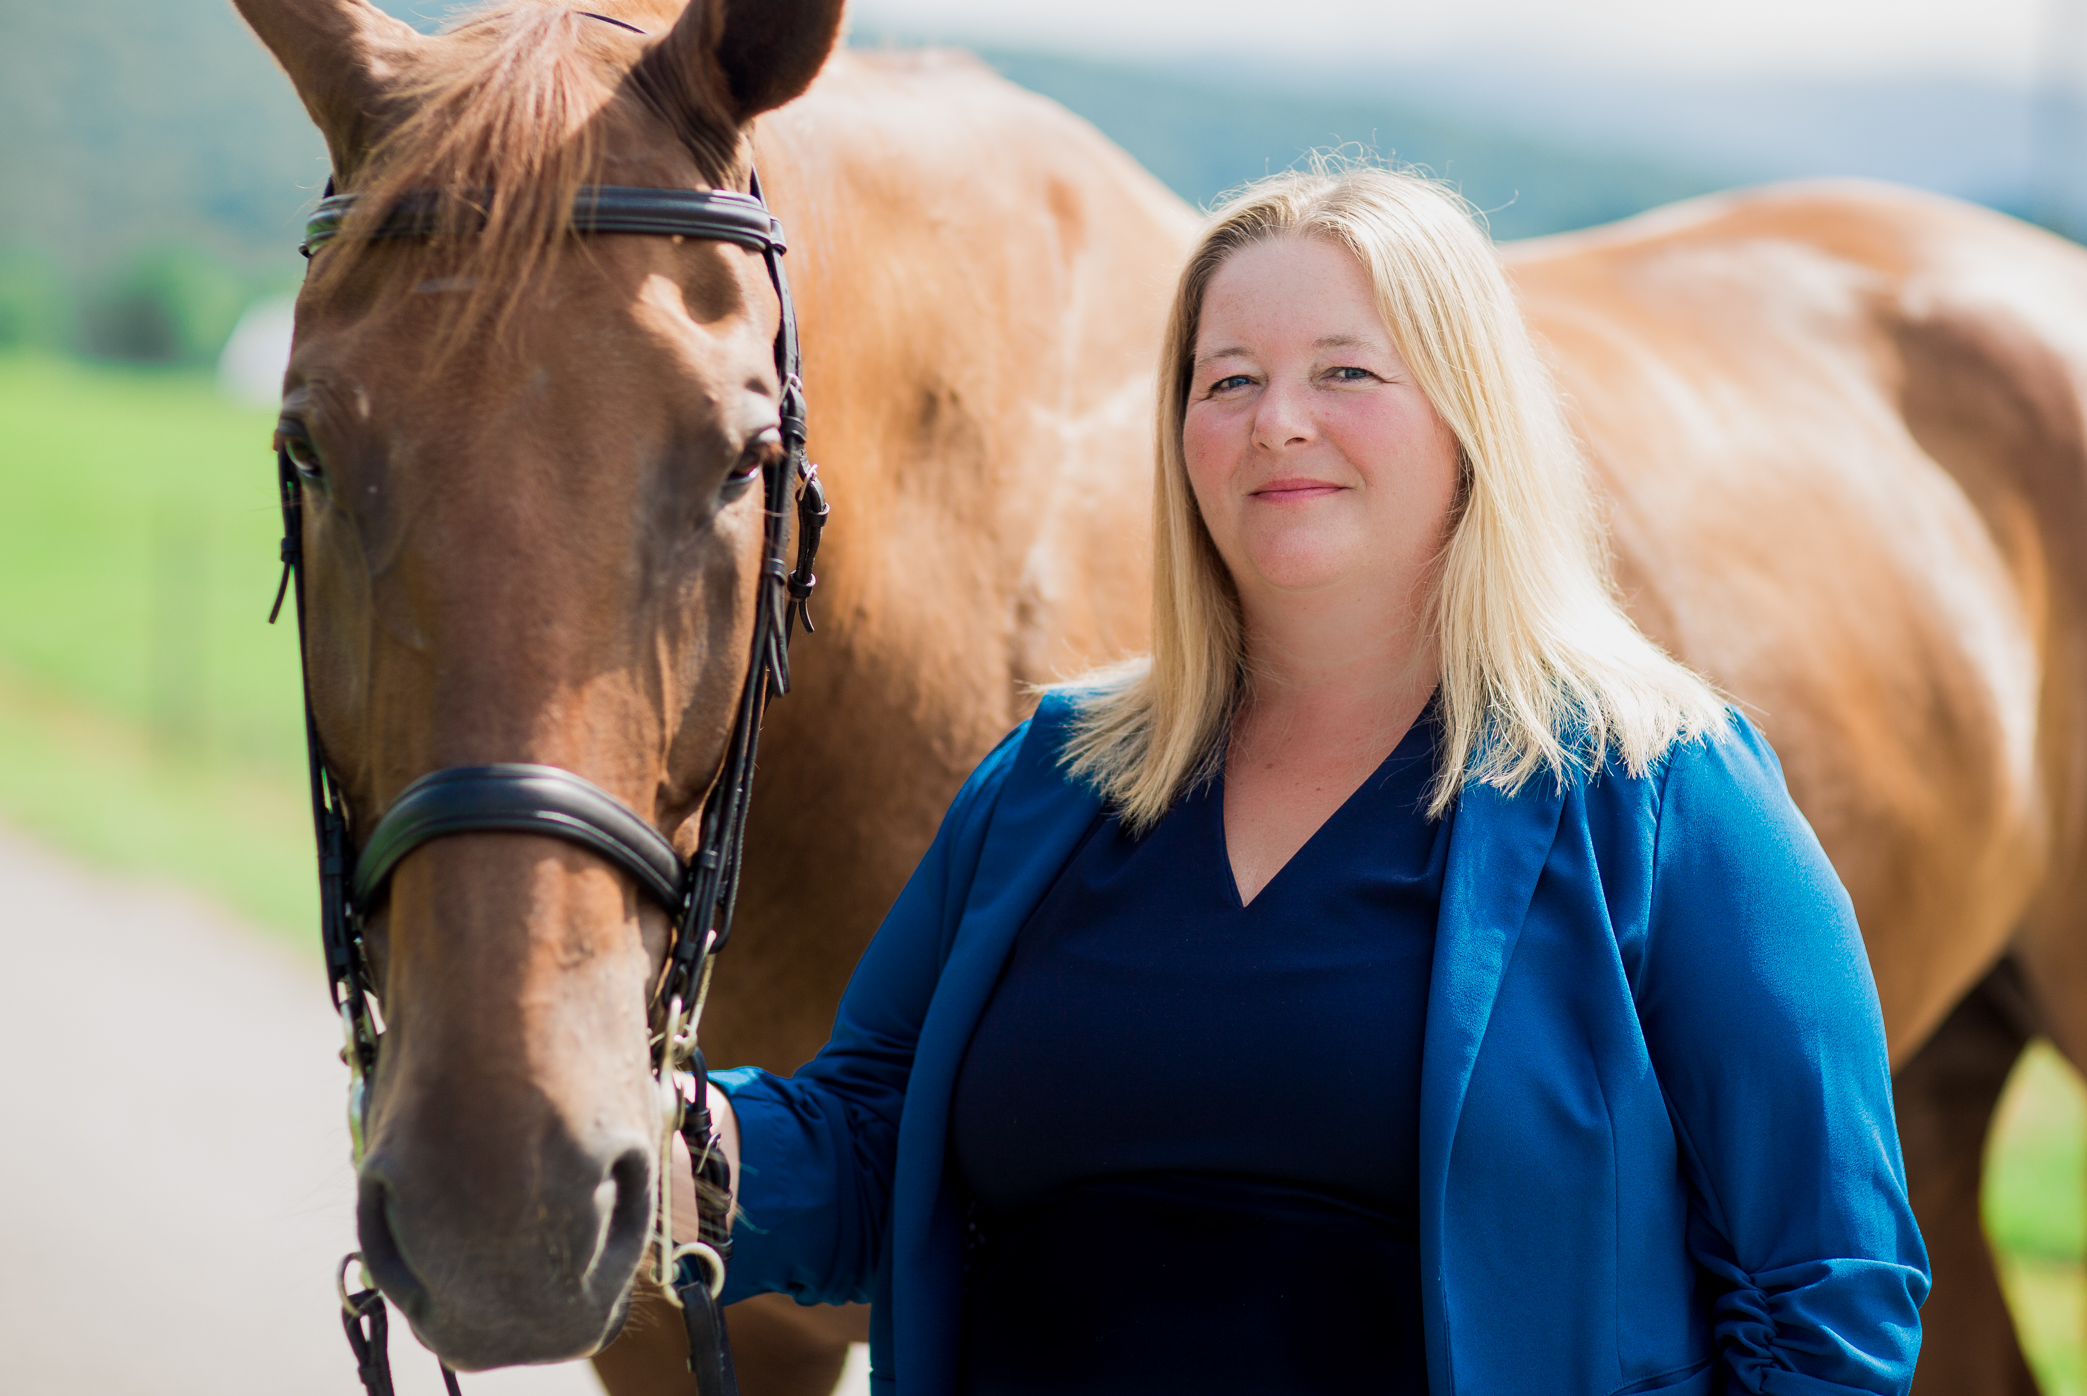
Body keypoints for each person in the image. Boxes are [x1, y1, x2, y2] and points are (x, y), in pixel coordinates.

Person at [688, 166, 1929, 1396]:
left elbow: (1830, 1298)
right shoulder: (1050, 782)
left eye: (1346, 370)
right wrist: (654, 1135)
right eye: (1229, 379)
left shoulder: (1660, 791)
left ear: (1471, 414)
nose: (1277, 418)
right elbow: (866, 1156)